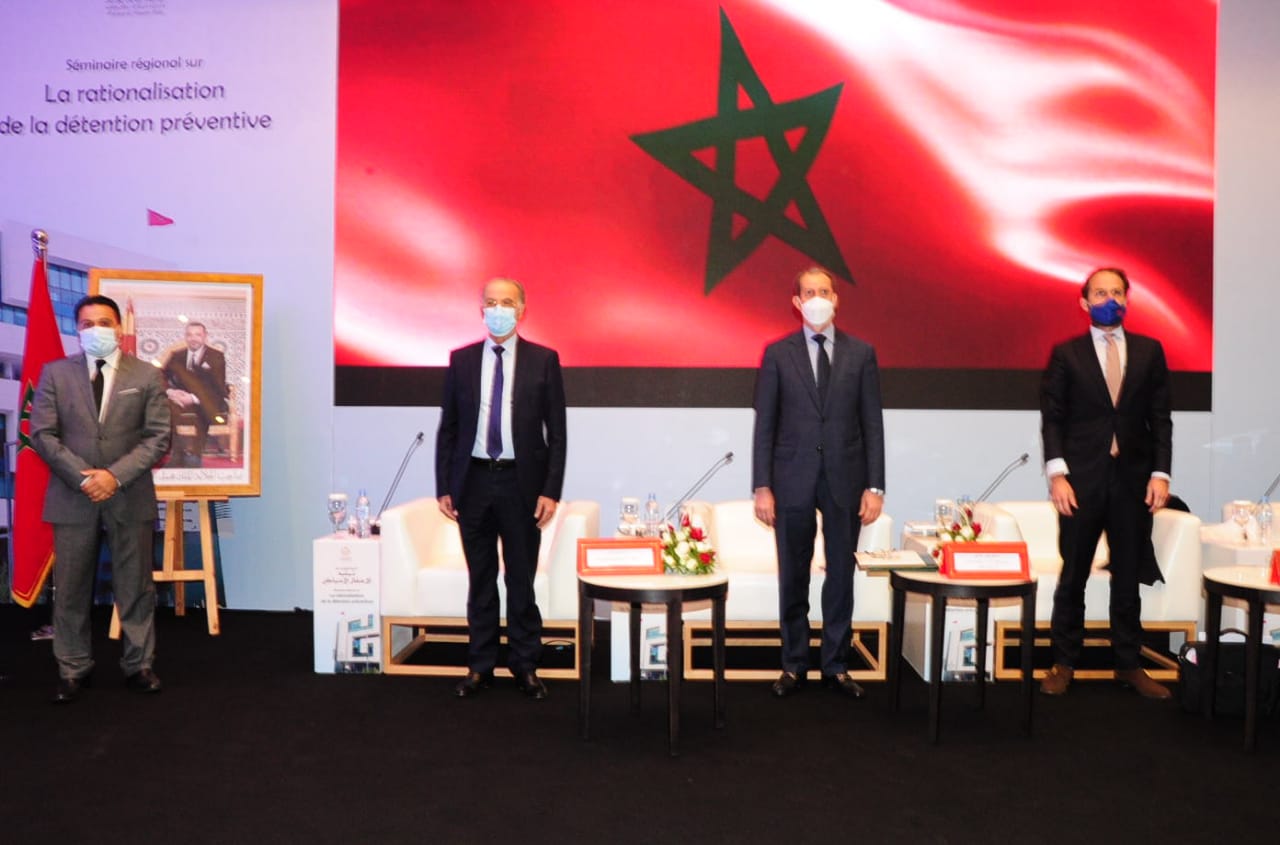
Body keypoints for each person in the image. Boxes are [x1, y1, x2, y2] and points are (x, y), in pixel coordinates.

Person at [752, 266, 886, 699]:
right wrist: (762, 486)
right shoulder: (777, 354)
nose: (817, 298)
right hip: (791, 478)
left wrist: (875, 486)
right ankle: (794, 664)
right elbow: (765, 425)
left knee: (841, 573)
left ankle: (836, 665)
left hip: (846, 478)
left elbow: (872, 423)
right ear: (797, 302)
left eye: (823, 291)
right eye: (808, 292)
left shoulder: (861, 353)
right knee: (793, 573)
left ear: (836, 298)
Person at [1039, 267, 1173, 699]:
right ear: (1085, 302)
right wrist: (1058, 474)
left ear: (1127, 299)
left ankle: (1129, 665)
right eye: (1100, 293)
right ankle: (1063, 662)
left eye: (1116, 292)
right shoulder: (1067, 354)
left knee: (1127, 575)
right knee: (1073, 574)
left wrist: (1161, 473)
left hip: (1133, 481)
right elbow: (1053, 419)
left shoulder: (1150, 351)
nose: (1109, 300)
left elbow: (1161, 418)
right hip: (1081, 481)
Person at [30, 294, 171, 703]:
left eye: (104, 322)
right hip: (72, 496)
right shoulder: (55, 373)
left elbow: (158, 437)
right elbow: (42, 434)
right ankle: (73, 668)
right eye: (87, 324)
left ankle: (139, 665)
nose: (96, 330)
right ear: (77, 330)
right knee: (71, 588)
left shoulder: (146, 375)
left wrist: (113, 476)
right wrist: (84, 478)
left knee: (136, 586)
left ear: (119, 329)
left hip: (129, 494)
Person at [436, 278, 567, 700]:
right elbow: (449, 428)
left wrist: (551, 489)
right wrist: (444, 485)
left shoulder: (543, 360)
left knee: (521, 579)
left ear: (522, 309)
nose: (498, 309)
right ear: (481, 310)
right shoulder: (461, 360)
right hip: (473, 481)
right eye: (491, 302)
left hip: (521, 483)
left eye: (506, 302)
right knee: (481, 579)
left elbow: (557, 433)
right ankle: (480, 666)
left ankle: (525, 665)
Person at [162, 321, 229, 467]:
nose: (193, 338)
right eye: (189, 335)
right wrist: (171, 392)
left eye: (198, 335)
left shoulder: (216, 356)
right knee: (166, 408)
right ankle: (178, 453)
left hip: (207, 400)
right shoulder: (176, 356)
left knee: (201, 410)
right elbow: (161, 377)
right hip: (179, 400)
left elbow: (217, 387)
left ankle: (195, 455)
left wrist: (193, 398)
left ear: (205, 337)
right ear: (185, 337)